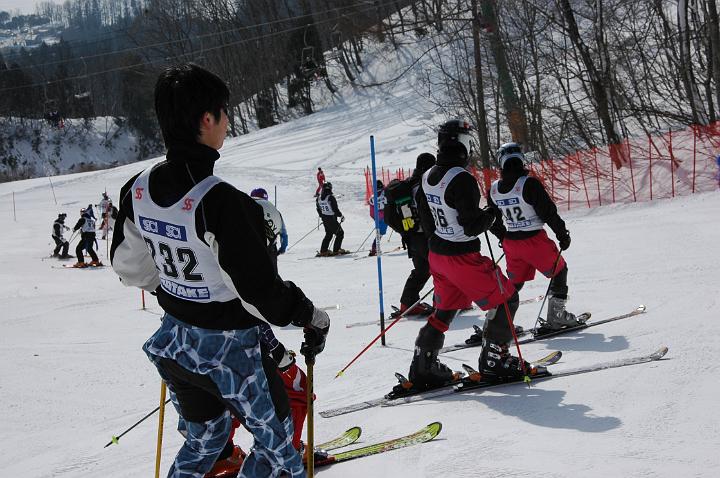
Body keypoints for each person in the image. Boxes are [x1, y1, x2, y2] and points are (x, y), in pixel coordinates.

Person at [110, 63, 330, 478]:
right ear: (207, 119)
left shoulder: (137, 189)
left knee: (206, 439)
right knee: (278, 452)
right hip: (232, 356)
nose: (227, 121)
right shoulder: (222, 201)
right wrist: (311, 316)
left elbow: (128, 266)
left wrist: (178, 293)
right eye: (224, 112)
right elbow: (261, 295)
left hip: (176, 345)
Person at [407, 119, 527, 389]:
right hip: (462, 256)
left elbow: (426, 218)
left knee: (445, 310)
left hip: (439, 254)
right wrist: (491, 214)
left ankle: (424, 366)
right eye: (466, 142)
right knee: (507, 298)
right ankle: (495, 360)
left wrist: (441, 239)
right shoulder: (462, 178)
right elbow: (471, 226)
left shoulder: (428, 175)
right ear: (461, 145)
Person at [486, 142, 583, 334]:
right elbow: (548, 212)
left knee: (514, 283)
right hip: (534, 240)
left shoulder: (494, 189)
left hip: (512, 243)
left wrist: (503, 237)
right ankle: (556, 316)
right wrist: (562, 234)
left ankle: (496, 322)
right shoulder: (528, 183)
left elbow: (492, 220)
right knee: (559, 271)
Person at [383, 153, 436, 317]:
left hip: (412, 235)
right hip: (428, 236)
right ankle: (444, 305)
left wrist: (405, 232)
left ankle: (408, 303)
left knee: (421, 270)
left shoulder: (405, 187)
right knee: (442, 270)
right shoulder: (426, 185)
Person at [250, 188, 288, 255]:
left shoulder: (246, 210)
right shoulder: (275, 213)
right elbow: (283, 234)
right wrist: (282, 249)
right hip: (270, 250)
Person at [315, 182, 348, 256]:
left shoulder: (318, 198)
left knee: (329, 234)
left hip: (325, 218)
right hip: (331, 218)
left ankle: (323, 250)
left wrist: (322, 217)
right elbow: (335, 209)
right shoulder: (330, 197)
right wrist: (341, 216)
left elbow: (318, 209)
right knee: (340, 234)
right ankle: (336, 250)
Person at [368, 180, 387, 256]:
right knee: (399, 227)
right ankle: (407, 243)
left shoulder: (372, 198)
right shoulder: (386, 193)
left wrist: (375, 219)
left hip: (380, 218)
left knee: (379, 234)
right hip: (388, 215)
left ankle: (374, 248)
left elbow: (372, 213)